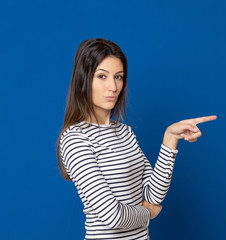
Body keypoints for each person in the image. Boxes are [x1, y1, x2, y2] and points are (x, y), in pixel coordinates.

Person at [56, 38, 217, 240]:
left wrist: (170, 139)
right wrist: (148, 213)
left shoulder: (124, 132)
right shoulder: (75, 139)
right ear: (83, 79)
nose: (113, 87)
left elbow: (152, 195)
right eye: (102, 76)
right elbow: (112, 216)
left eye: (119, 77)